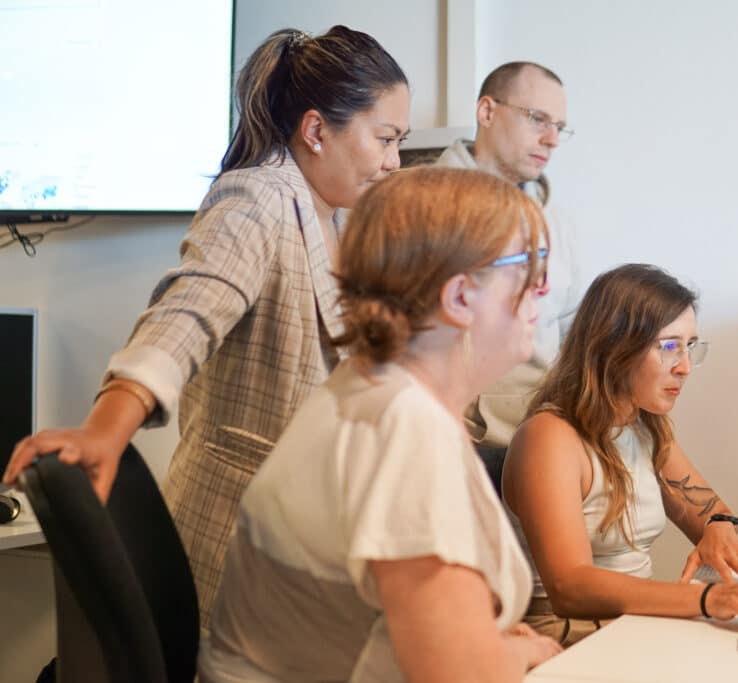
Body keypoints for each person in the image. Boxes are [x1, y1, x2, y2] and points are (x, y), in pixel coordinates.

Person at [3, 25, 410, 627]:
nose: (393, 161)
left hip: (304, 540)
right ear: (317, 130)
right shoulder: (260, 197)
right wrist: (107, 427)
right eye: (385, 138)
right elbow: (188, 310)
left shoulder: (333, 218)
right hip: (235, 549)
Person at [198, 166, 561, 683]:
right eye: (527, 266)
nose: (543, 289)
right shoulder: (406, 428)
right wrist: (517, 655)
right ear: (458, 298)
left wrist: (489, 642)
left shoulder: (367, 388)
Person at [502, 264, 738, 646]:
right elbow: (570, 586)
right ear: (614, 347)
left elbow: (714, 512)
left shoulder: (644, 428)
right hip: (565, 638)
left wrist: (719, 528)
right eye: (668, 347)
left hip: (630, 626)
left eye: (690, 346)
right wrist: (709, 599)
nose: (685, 367)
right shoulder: (549, 438)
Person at [434, 61, 581, 488]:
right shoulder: (421, 205)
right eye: (537, 118)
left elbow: (571, 329)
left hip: (542, 442)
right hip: (453, 447)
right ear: (487, 111)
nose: (551, 139)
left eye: (559, 126)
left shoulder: (559, 221)